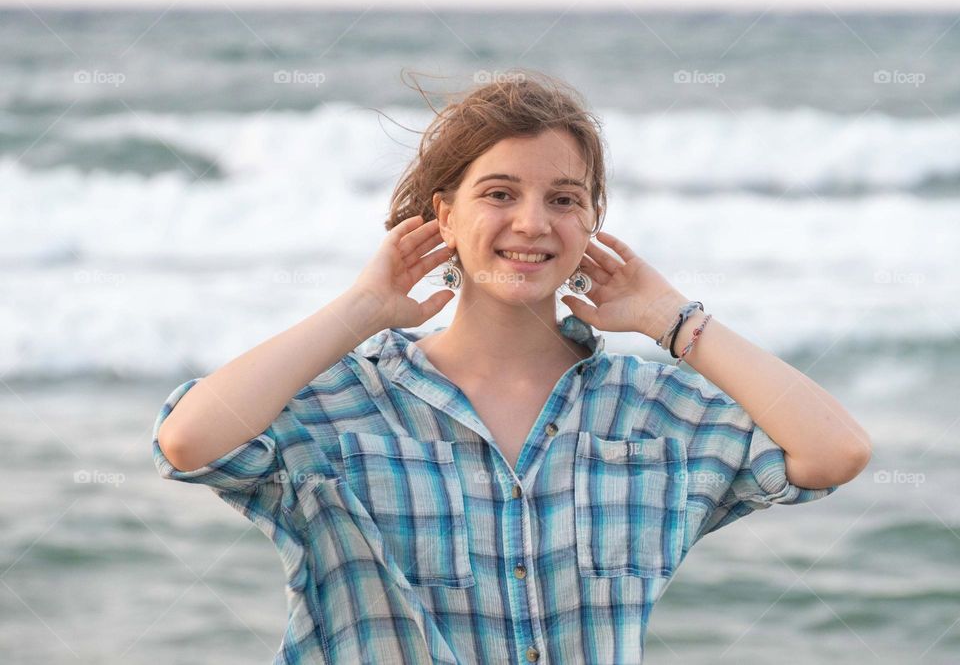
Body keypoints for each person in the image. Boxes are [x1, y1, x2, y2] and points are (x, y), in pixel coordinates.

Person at [152, 70, 872, 664]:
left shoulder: (651, 410)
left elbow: (835, 451)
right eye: (499, 194)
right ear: (445, 215)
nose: (532, 222)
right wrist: (363, 307)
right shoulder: (349, 403)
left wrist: (674, 321)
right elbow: (191, 442)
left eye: (564, 200)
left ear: (591, 223)